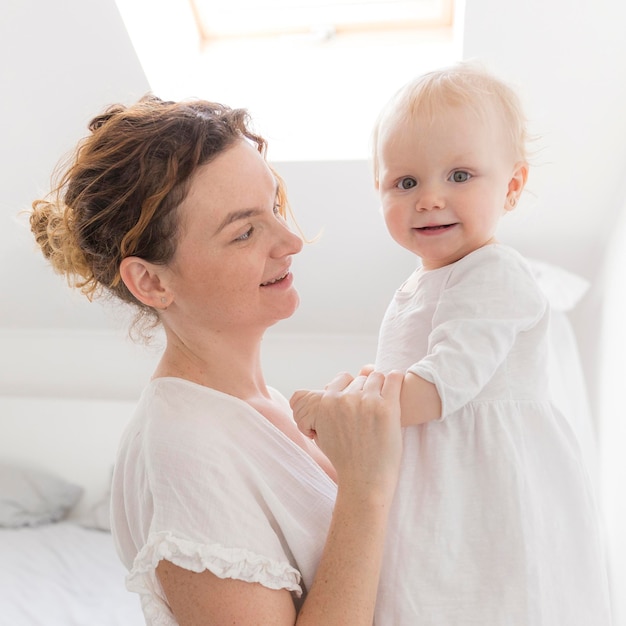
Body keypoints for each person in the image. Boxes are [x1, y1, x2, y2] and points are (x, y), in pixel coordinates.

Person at [29, 95, 405, 625]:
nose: (291, 240)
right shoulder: (184, 450)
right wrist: (365, 489)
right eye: (245, 231)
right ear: (153, 282)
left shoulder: (253, 402)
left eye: (274, 206)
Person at [291, 61, 613, 625]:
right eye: (406, 182)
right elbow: (405, 379)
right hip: (434, 472)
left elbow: (436, 388)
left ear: (512, 186)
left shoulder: (493, 273)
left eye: (460, 176)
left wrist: (339, 409)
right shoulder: (416, 284)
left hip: (480, 480)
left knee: (481, 595)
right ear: (380, 191)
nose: (430, 198)